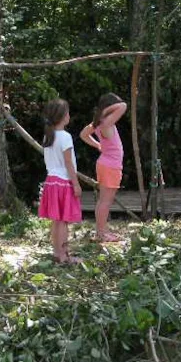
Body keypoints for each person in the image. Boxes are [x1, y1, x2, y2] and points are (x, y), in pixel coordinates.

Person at [38, 99, 83, 264]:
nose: (69, 115)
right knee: (63, 221)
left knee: (56, 221)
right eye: (68, 112)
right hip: (63, 182)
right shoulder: (65, 137)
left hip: (51, 181)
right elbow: (68, 163)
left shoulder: (48, 136)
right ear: (63, 116)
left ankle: (57, 253)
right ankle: (64, 257)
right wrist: (76, 184)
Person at [80, 93, 128, 242]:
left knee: (103, 201)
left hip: (107, 165)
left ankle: (102, 231)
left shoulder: (100, 122)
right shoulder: (106, 121)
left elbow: (83, 134)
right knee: (105, 201)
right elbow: (123, 106)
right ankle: (102, 234)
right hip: (110, 167)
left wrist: (98, 145)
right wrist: (106, 111)